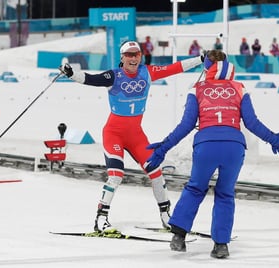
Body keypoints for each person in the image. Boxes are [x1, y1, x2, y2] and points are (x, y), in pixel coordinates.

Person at [145, 50, 279, 258]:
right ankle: (221, 245)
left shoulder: (196, 89)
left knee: (195, 188)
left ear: (206, 67)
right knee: (225, 193)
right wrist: (273, 139)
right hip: (234, 147)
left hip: (206, 145)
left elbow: (186, 125)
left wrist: (163, 148)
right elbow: (251, 123)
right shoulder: (240, 88)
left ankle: (178, 236)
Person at [59, 41, 204, 232]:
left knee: (156, 172)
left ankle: (166, 216)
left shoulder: (148, 72)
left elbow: (174, 68)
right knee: (116, 176)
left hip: (136, 135)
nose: (133, 58)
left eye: (136, 54)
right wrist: (71, 74)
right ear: (122, 57)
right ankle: (101, 219)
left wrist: (200, 59)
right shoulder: (114, 75)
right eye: (129, 55)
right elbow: (91, 79)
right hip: (114, 134)